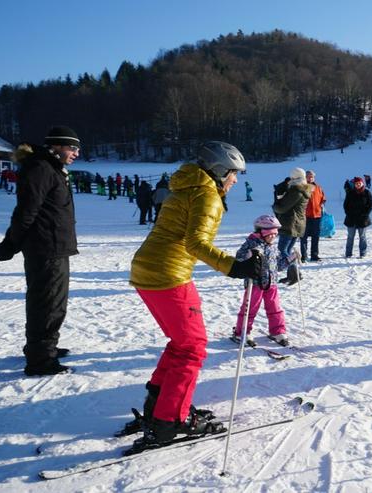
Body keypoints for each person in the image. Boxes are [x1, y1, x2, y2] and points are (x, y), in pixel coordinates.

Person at [127, 141, 262, 450]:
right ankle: (169, 421)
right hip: (167, 273)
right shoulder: (207, 194)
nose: (235, 181)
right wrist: (235, 267)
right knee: (193, 348)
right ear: (219, 171)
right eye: (233, 174)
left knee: (182, 343)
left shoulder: (185, 186)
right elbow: (195, 243)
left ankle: (157, 407)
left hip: (147, 269)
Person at [0, 126, 81, 376]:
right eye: (72, 148)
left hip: (54, 245)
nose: (76, 153)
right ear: (56, 146)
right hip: (46, 247)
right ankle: (40, 360)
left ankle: (44, 348)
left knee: (54, 302)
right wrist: (11, 243)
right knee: (47, 303)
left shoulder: (49, 167)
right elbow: (26, 211)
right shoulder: (41, 168)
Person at [232, 215, 299, 347]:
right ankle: (242, 332)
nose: (273, 237)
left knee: (275, 308)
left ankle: (277, 331)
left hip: (272, 283)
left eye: (275, 234)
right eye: (270, 234)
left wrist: (291, 258)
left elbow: (279, 265)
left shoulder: (273, 247)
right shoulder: (250, 244)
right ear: (260, 232)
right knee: (250, 308)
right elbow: (238, 259)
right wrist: (248, 256)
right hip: (255, 284)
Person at [273, 168, 311, 258]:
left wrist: (275, 206)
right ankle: (293, 270)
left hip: (290, 224)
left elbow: (282, 208)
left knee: (282, 251)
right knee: (287, 251)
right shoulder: (302, 190)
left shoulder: (296, 191)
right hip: (296, 224)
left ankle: (293, 269)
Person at [343, 176, 372, 258]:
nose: (358, 185)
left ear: (362, 183)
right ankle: (348, 253)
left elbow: (371, 205)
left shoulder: (367, 193)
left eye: (359, 183)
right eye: (356, 183)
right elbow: (345, 205)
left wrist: (365, 214)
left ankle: (363, 253)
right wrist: (349, 214)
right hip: (351, 219)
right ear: (354, 184)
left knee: (362, 237)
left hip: (363, 219)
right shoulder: (350, 193)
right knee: (350, 237)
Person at [300, 170, 326, 262]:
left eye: (312, 176)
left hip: (316, 216)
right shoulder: (302, 187)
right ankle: (304, 256)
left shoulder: (318, 187)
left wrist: (322, 204)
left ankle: (314, 255)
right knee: (303, 237)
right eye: (308, 176)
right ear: (305, 177)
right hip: (304, 217)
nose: (310, 178)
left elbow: (323, 198)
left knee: (315, 237)